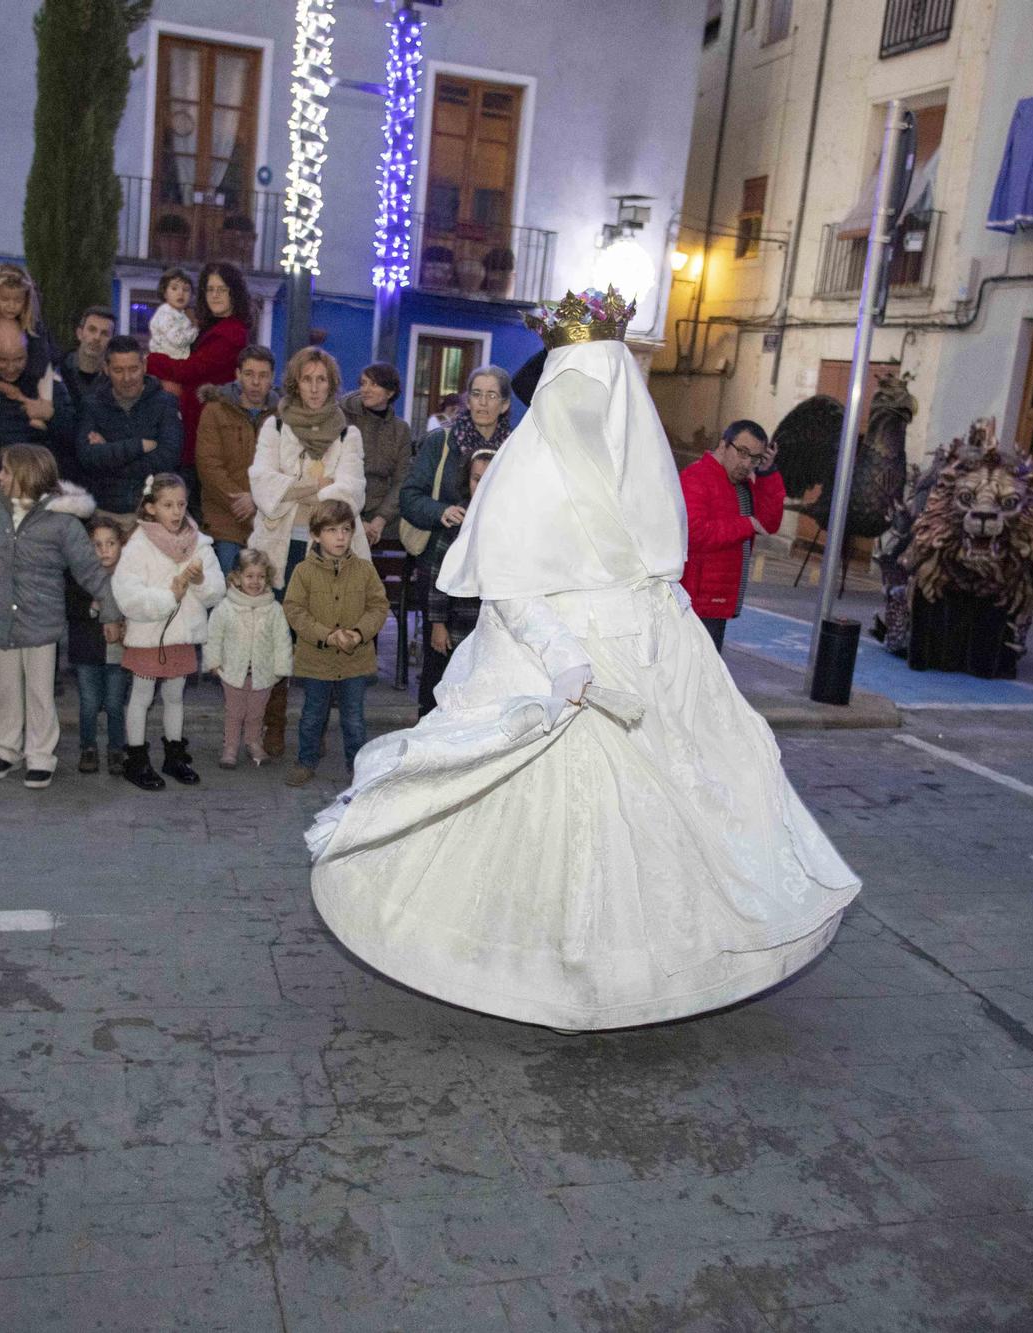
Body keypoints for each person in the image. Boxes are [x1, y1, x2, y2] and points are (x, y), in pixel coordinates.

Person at [305, 288, 860, 1029]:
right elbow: (508, 582)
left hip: (640, 672)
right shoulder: (523, 470)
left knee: (662, 830)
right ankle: (528, 970)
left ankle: (635, 977)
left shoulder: (639, 471)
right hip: (550, 671)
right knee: (546, 829)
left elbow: (657, 576)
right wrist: (564, 658)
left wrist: (677, 656)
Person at [0, 444, 110, 789]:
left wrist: (112, 604)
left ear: (27, 477)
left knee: (41, 691)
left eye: (7, 471)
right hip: (2, 617)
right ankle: (6, 748)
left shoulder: (62, 522)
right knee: (7, 687)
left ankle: (41, 754)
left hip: (41, 620)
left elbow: (88, 569)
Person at [250, 347, 367, 756]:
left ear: (332, 385)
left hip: (329, 553)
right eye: (307, 379)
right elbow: (262, 485)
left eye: (322, 380)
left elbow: (350, 491)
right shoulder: (275, 426)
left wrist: (294, 488)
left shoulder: (347, 433)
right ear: (295, 382)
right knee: (278, 639)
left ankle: (315, 733)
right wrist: (316, 486)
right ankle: (274, 725)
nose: (314, 388)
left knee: (324, 641)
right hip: (279, 549)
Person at [402, 364, 514, 714]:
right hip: (442, 565)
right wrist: (440, 512)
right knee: (440, 658)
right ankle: (428, 732)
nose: (482, 403)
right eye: (476, 394)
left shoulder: (516, 448)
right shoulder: (442, 441)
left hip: (494, 571)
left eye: (491, 395)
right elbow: (409, 496)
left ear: (505, 404)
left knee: (488, 660)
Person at [112, 472, 223, 790]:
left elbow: (216, 589)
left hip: (182, 635)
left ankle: (174, 756)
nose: (176, 512)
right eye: (167, 505)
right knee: (142, 696)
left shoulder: (198, 543)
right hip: (149, 636)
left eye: (181, 504)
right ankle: (136, 759)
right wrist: (169, 596)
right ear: (150, 508)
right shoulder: (138, 544)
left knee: (174, 696)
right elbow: (127, 593)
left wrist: (200, 583)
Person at [282, 498, 388, 788]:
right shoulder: (303, 571)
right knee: (312, 716)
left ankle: (356, 766)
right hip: (316, 661)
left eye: (345, 529)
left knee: (354, 719)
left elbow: (378, 607)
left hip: (355, 661)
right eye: (331, 530)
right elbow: (294, 610)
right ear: (316, 535)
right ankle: (306, 761)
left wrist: (358, 633)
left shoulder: (365, 570)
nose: (340, 537)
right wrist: (326, 635)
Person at [680, 419, 783, 650]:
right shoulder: (697, 478)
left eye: (755, 458)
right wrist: (745, 525)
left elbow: (769, 523)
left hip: (717, 602)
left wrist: (767, 474)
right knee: (698, 678)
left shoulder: (741, 484)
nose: (747, 464)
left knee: (706, 678)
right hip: (695, 603)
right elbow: (693, 533)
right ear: (723, 445)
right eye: (742, 452)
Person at [0, 320, 76, 510]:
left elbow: (71, 441)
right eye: (2, 360)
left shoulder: (49, 389)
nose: (10, 367)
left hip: (34, 501)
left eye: (19, 359)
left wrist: (51, 416)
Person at [146, 261, 253, 452]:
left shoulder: (231, 333)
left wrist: (150, 361)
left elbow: (190, 370)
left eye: (222, 289)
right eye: (210, 289)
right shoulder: (208, 326)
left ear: (234, 293)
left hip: (205, 424)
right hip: (189, 417)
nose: (215, 295)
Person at [421, 447, 496, 713]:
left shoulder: (506, 521)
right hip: (456, 622)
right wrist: (438, 624)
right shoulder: (457, 523)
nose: (482, 485)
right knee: (448, 683)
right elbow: (437, 579)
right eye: (476, 479)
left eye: (489, 478)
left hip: (490, 624)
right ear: (468, 482)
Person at [204, 547, 291, 769]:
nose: (255, 581)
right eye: (249, 576)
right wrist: (213, 661)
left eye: (261, 577)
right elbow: (213, 635)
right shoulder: (225, 608)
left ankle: (253, 742)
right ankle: (230, 747)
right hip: (232, 671)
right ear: (237, 578)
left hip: (263, 673)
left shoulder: (274, 609)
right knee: (234, 712)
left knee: (256, 713)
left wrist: (281, 667)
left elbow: (282, 639)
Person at [195, 345, 277, 577]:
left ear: (272, 378)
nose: (255, 382)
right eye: (249, 374)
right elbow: (209, 465)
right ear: (237, 374)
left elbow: (285, 468)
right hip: (224, 520)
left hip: (268, 521)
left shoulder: (282, 416)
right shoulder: (215, 410)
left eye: (263, 376)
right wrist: (241, 502)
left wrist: (257, 500)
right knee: (222, 592)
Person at [77, 334, 181, 518]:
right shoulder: (92, 405)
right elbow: (87, 457)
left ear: (144, 366)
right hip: (105, 511)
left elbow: (168, 458)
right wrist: (139, 446)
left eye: (133, 369)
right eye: (118, 370)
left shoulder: (165, 403)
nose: (127, 378)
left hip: (153, 512)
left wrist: (110, 454)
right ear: (106, 369)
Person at [68, 513, 130, 775]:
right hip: (87, 652)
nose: (105, 550)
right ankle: (88, 747)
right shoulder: (78, 575)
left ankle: (117, 749)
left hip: (119, 653)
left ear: (121, 545)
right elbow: (68, 605)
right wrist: (91, 607)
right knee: (89, 704)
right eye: (97, 545)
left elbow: (137, 607)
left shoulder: (129, 576)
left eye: (111, 543)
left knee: (116, 704)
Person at [341, 362, 413, 551]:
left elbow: (402, 480)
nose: (366, 389)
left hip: (383, 513)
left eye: (374, 384)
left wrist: (380, 519)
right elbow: (337, 471)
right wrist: (357, 519)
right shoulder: (344, 419)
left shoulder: (401, 430)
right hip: (344, 506)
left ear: (390, 393)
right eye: (363, 383)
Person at [148, 268, 200, 377]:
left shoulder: (181, 314)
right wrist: (195, 328)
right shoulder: (165, 313)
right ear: (165, 293)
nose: (180, 293)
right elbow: (178, 339)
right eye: (174, 288)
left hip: (175, 364)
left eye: (186, 289)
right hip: (164, 366)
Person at [61, 305, 116, 398]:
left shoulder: (115, 380)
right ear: (79, 334)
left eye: (104, 333)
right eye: (92, 330)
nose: (97, 338)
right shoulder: (58, 370)